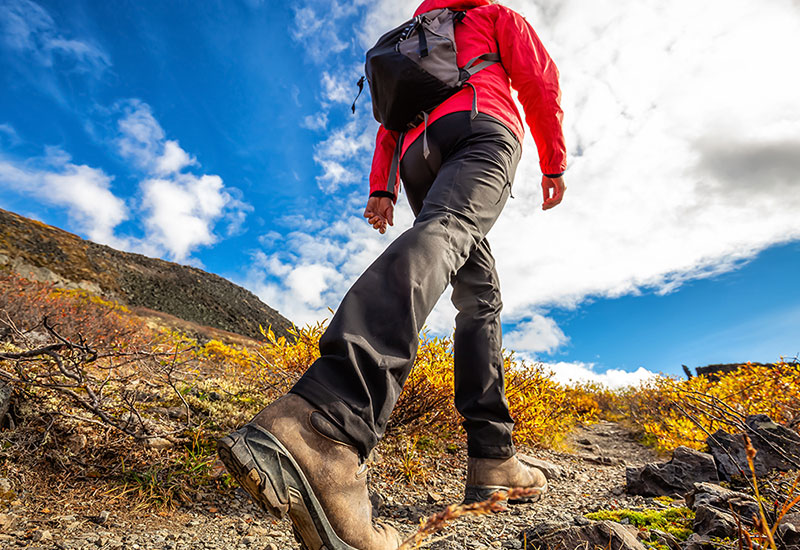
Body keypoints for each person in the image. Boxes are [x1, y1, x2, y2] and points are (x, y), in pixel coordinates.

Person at [218, 0, 567, 549]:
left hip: (417, 154)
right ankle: (328, 419)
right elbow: (539, 82)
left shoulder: (414, 33)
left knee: (479, 294)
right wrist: (554, 160)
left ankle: (493, 457)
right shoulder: (490, 16)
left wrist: (382, 188)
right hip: (481, 127)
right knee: (454, 234)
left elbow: (390, 121)